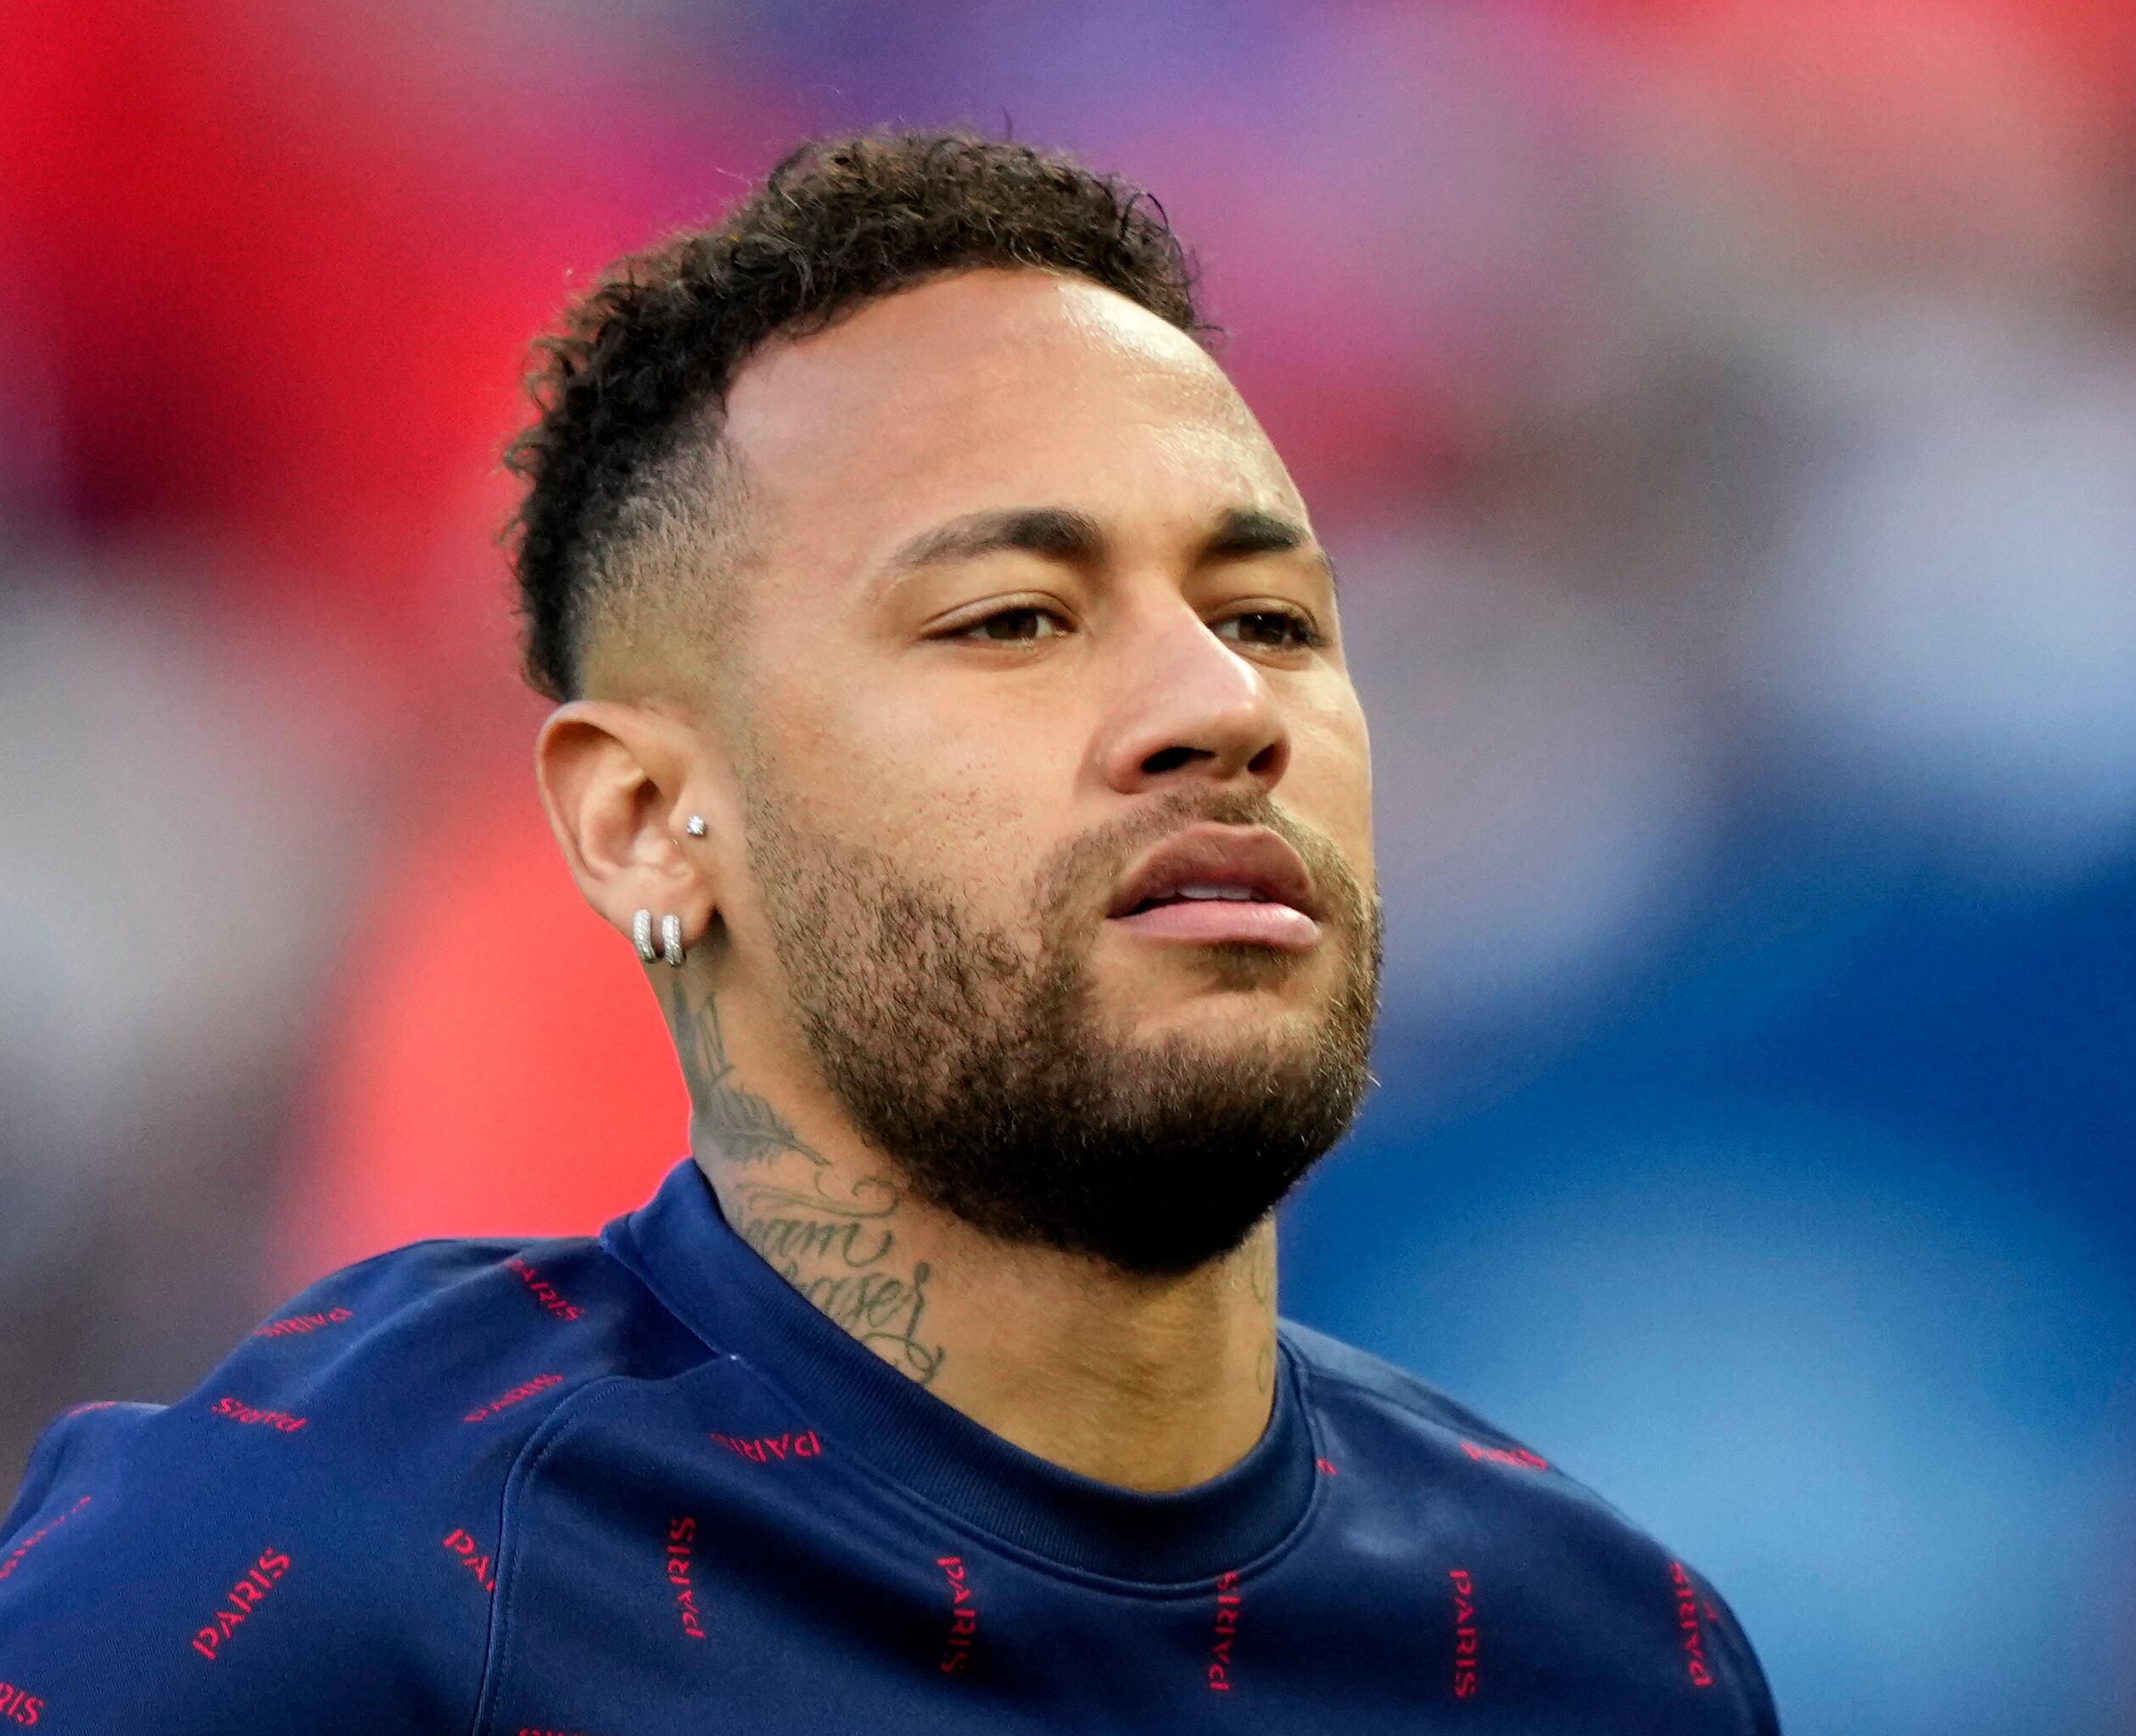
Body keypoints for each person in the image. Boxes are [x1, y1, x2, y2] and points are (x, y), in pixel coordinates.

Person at [0, 130, 1776, 1733]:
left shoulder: (1603, 1654)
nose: (1221, 704)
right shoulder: (341, 1569)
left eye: (1271, 616)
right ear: (644, 820)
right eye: (1010, 618)